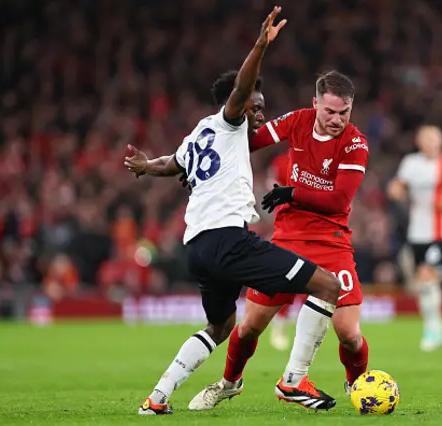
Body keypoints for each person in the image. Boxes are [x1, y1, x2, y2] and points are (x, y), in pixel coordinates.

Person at [124, 7, 340, 414]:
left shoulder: (197, 134)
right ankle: (293, 382)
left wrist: (144, 165)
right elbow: (241, 91)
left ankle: (157, 399)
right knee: (328, 286)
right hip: (228, 239)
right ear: (236, 104)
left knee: (220, 326)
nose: (260, 112)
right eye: (256, 105)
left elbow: (171, 164)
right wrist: (260, 44)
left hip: (199, 248)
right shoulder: (229, 121)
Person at [188, 70, 370, 411]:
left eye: (343, 113)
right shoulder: (298, 121)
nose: (336, 120)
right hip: (287, 239)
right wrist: (200, 153)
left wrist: (293, 192)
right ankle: (228, 384)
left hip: (332, 241)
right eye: (329, 112)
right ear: (315, 104)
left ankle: (359, 385)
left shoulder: (355, 143)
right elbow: (249, 139)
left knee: (349, 333)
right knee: (249, 328)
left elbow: (339, 200)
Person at [387, 125, 442, 352]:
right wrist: (395, 191)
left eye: (433, 138)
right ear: (418, 141)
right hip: (418, 232)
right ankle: (437, 330)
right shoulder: (411, 164)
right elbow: (398, 186)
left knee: (427, 275)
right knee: (425, 281)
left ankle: (432, 330)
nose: (429, 142)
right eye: (425, 138)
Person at [265, 151, 293, 351]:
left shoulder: (322, 158)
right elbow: (272, 189)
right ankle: (279, 324)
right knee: (288, 280)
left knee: (319, 280)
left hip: (317, 227)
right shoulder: (281, 161)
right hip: (289, 226)